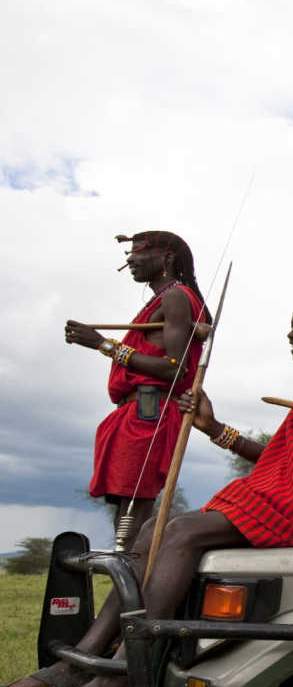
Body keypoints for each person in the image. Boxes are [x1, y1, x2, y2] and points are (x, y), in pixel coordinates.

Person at [8, 297, 293, 687]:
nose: (291, 334)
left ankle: (121, 678)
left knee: (182, 532)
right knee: (155, 526)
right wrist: (213, 429)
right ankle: (78, 661)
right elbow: (280, 460)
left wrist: (267, 485)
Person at [66, 231, 209, 550]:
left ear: (167, 258)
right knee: (126, 502)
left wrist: (103, 344)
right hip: (138, 410)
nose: (129, 259)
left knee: (134, 504)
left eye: (137, 252)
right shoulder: (168, 299)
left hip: (148, 410)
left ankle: (130, 581)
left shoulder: (175, 297)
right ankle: (129, 577)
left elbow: (175, 368)